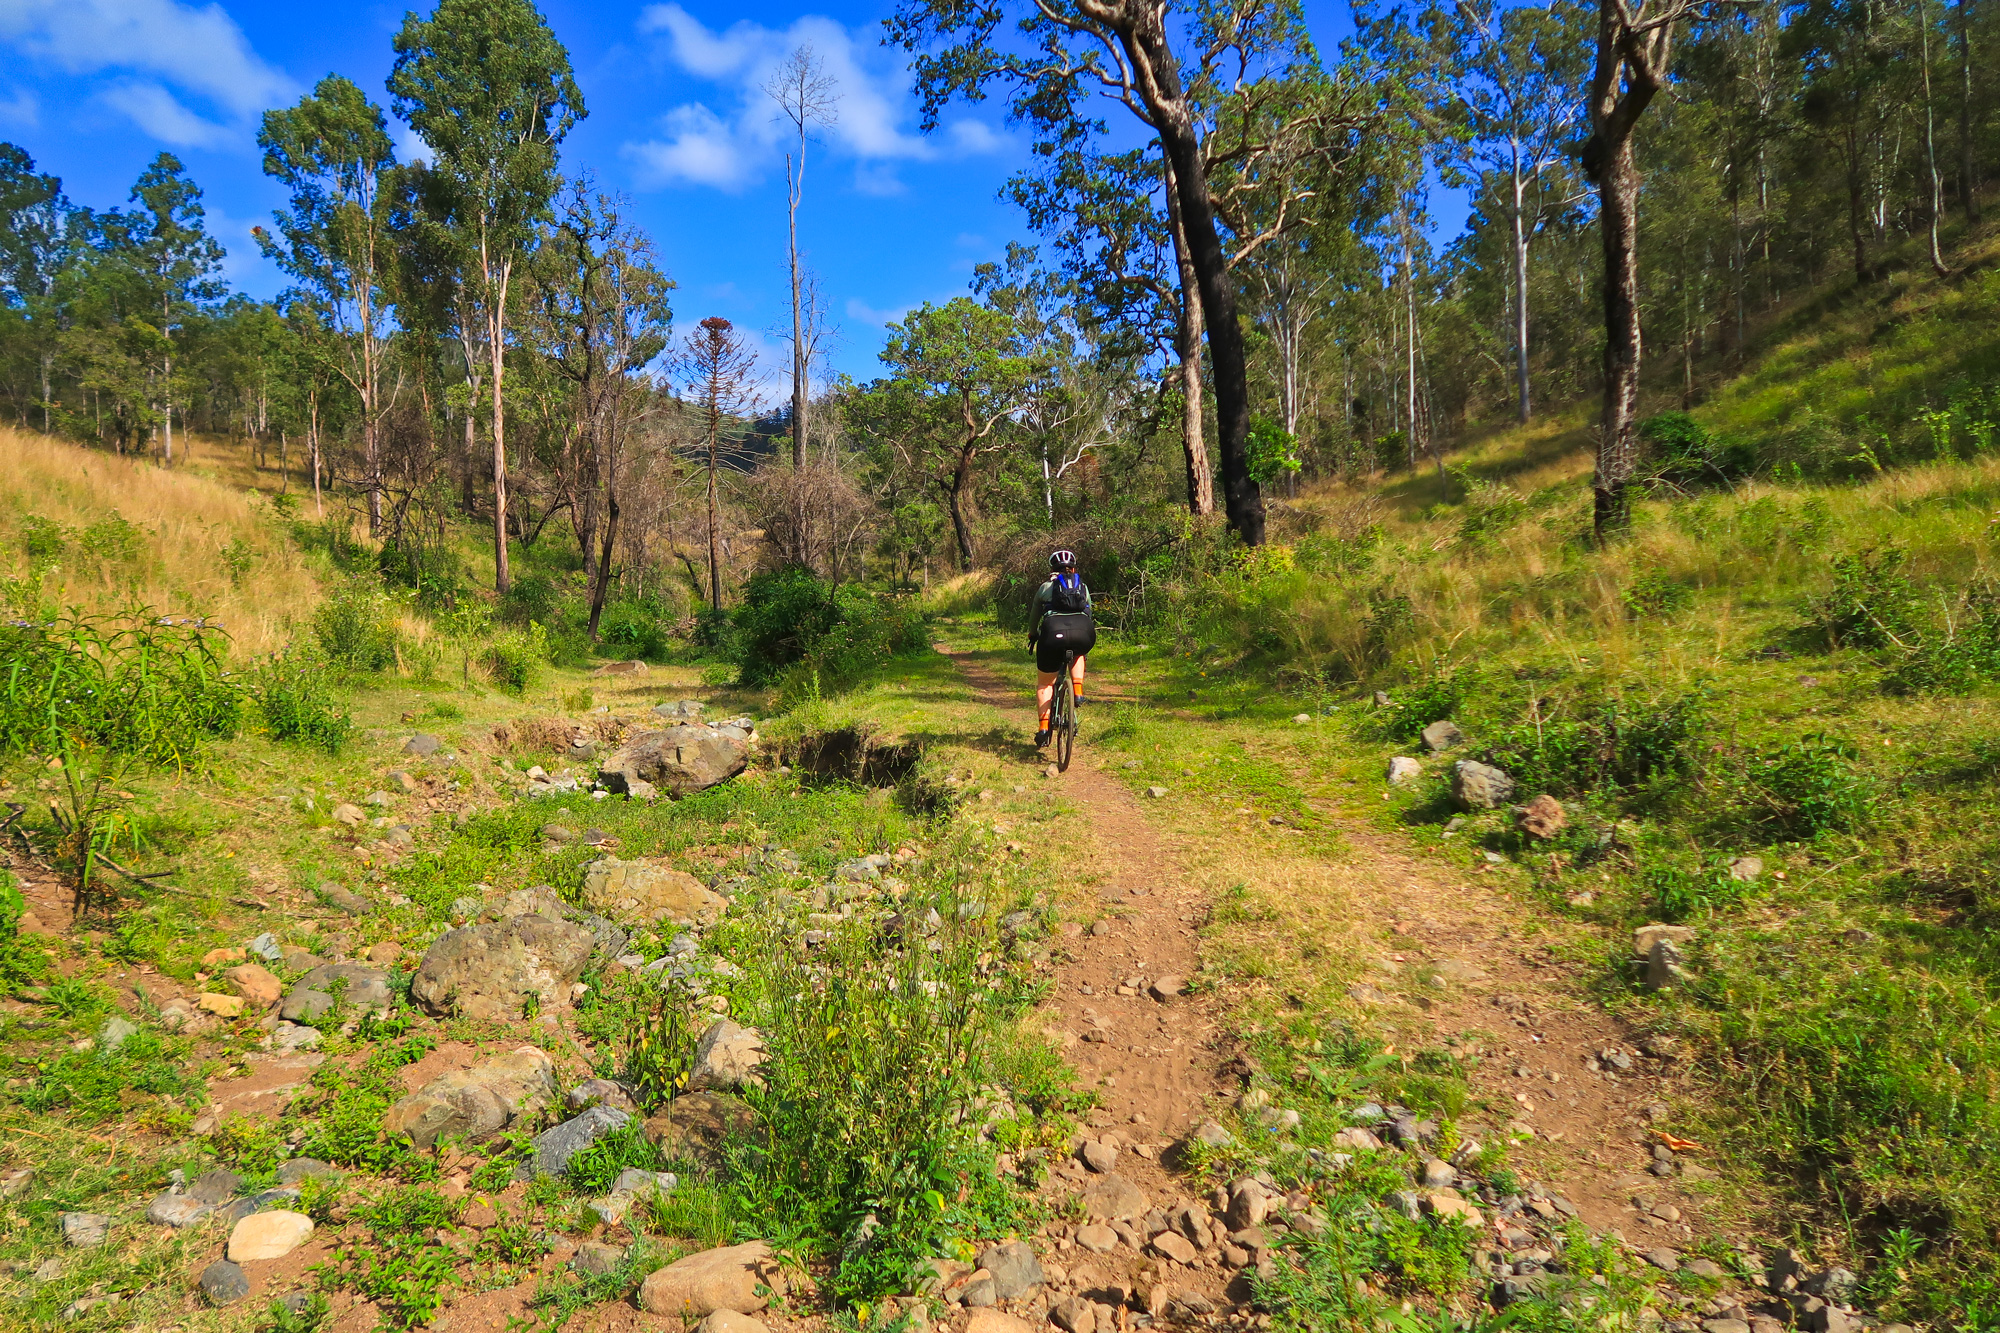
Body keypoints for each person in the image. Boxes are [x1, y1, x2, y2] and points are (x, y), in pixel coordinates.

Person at [1027, 549, 1095, 747]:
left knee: (1045, 684)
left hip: (1052, 635)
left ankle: (1043, 728)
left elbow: (1034, 616)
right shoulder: (1082, 586)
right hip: (1083, 632)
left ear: (1052, 569)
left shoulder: (1045, 587)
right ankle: (1078, 692)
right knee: (1079, 652)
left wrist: (1033, 634)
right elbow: (1089, 611)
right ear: (1073, 568)